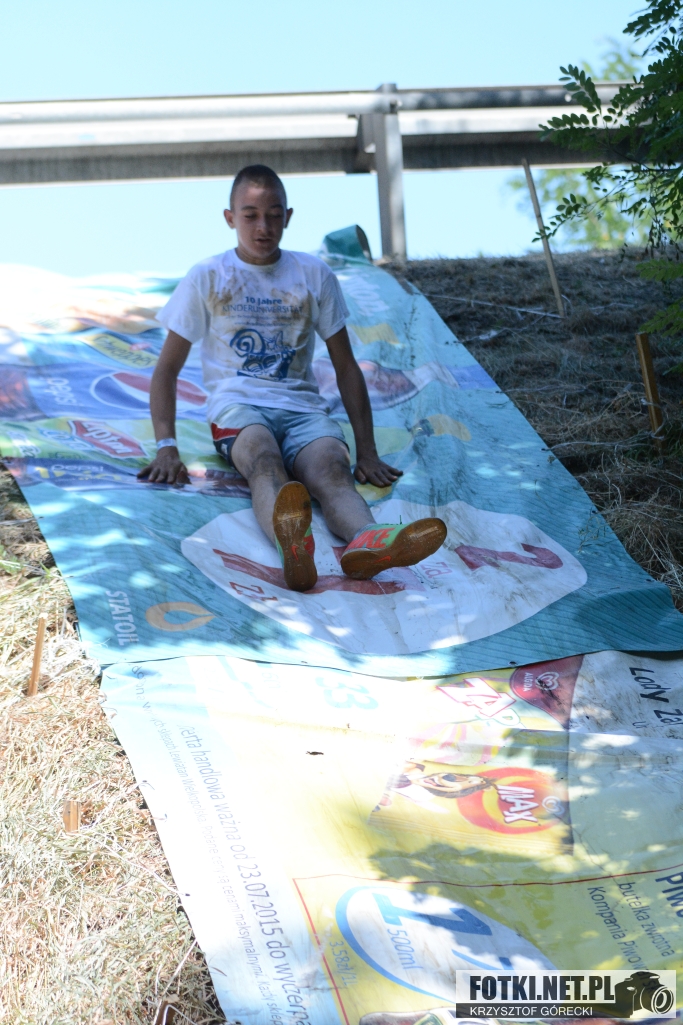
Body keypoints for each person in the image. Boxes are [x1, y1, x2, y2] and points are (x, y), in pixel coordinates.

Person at [138, 164, 446, 592]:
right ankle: (293, 548)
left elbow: (346, 366)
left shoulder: (314, 273)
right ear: (230, 218)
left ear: (288, 216)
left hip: (304, 409)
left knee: (333, 473)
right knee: (263, 460)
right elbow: (166, 370)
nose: (263, 227)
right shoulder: (207, 275)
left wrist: (368, 452)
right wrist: (166, 446)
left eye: (273, 215)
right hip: (238, 407)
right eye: (250, 215)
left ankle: (369, 543)